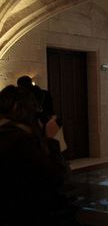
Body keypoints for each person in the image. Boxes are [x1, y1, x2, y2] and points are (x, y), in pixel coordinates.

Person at [0, 85, 76, 226]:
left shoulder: (8, 135)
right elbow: (56, 178)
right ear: (19, 109)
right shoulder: (20, 141)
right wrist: (49, 139)